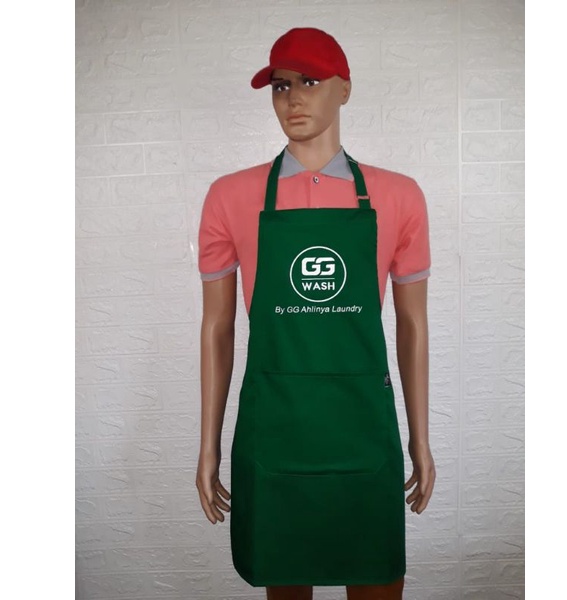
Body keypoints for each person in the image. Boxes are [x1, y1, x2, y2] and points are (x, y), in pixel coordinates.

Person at [196, 27, 435, 600]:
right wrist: (208, 444)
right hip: (275, 432)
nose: (292, 99)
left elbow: (412, 325)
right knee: (286, 584)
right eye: (280, 86)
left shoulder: (399, 196)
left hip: (363, 431)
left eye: (309, 81)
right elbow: (217, 328)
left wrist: (420, 439)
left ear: (344, 89)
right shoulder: (230, 196)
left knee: (377, 580)